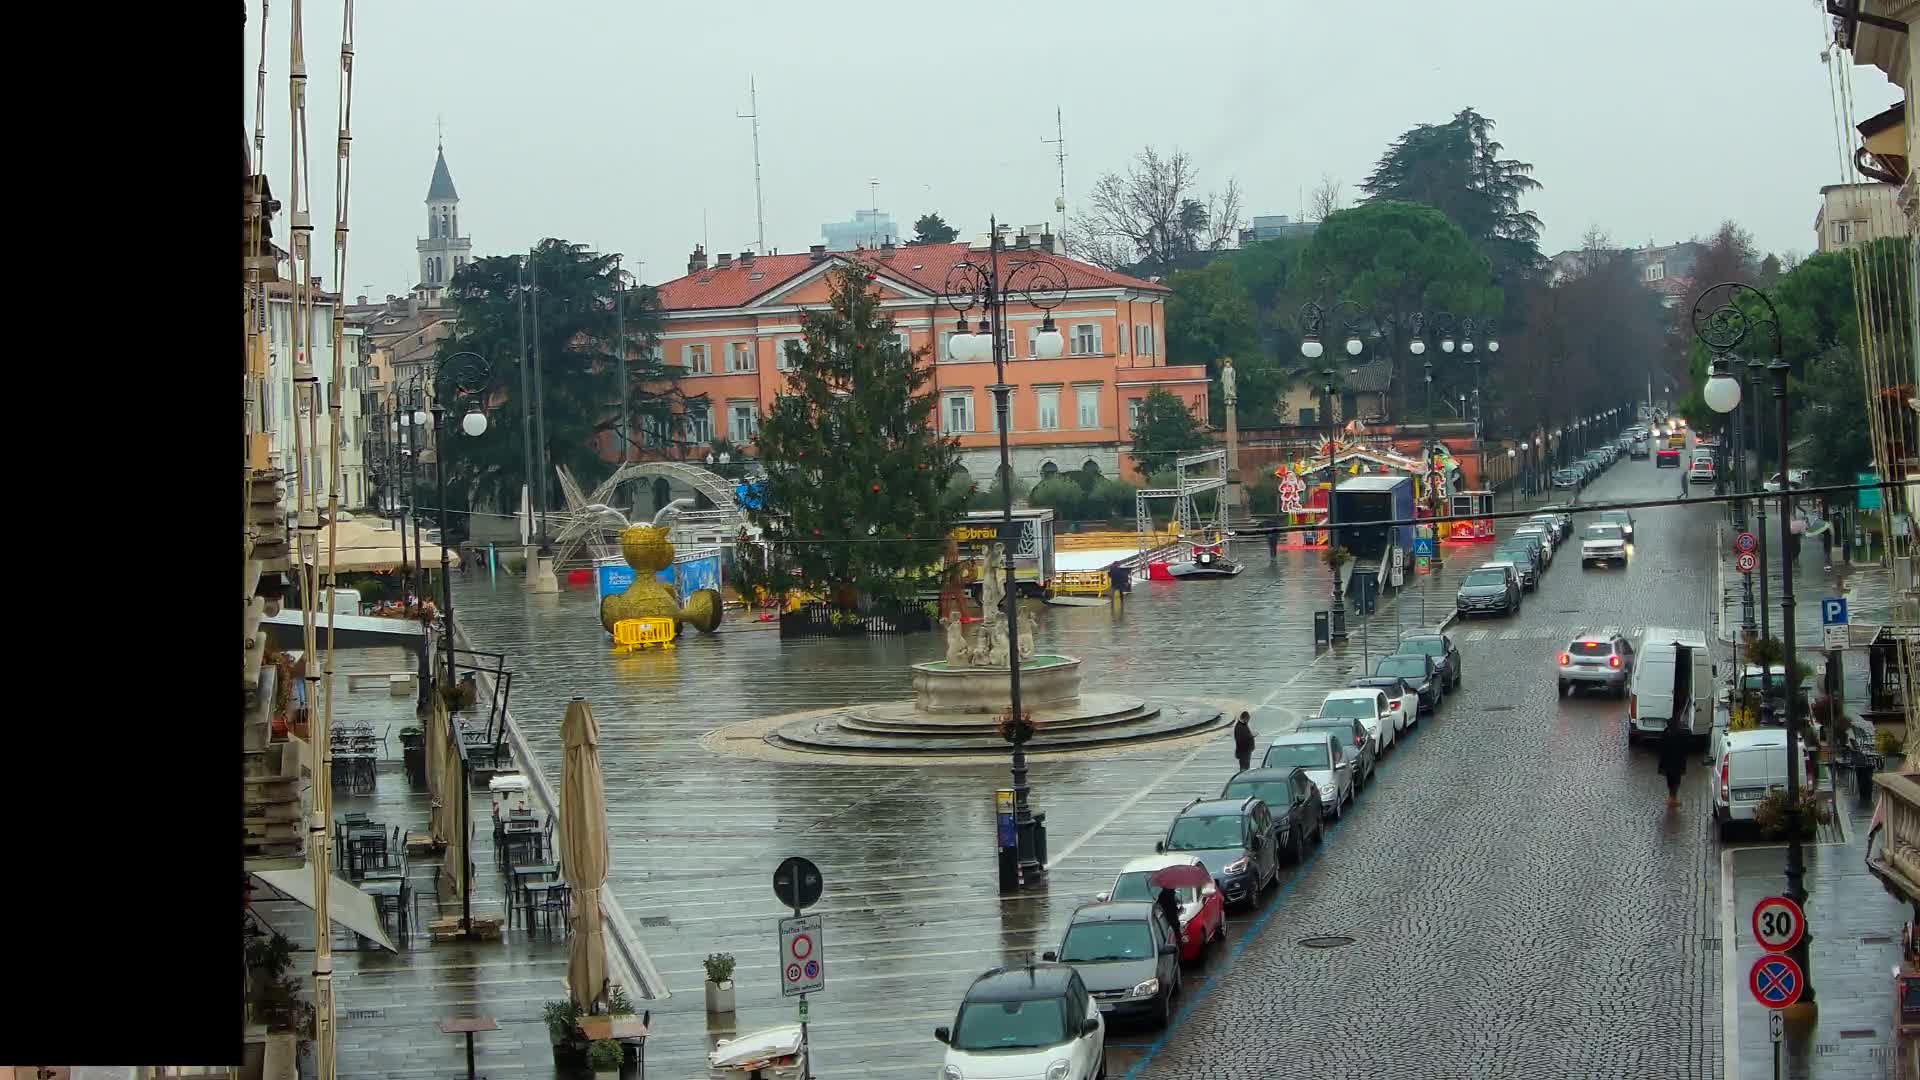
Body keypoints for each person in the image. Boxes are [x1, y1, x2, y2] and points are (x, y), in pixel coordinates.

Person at [1657, 714, 1689, 810]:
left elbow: (1661, 747)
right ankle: (1673, 798)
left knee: (1670, 781)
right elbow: (1685, 745)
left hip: (1667, 762)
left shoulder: (1666, 732)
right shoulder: (1680, 733)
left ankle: (1671, 798)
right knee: (1676, 781)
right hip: (1677, 762)